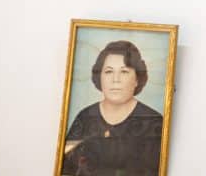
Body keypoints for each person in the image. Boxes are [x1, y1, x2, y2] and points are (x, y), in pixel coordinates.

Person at [62, 41, 163, 176]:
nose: (116, 79)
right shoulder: (85, 118)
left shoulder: (154, 122)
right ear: (99, 77)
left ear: (137, 79)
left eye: (124, 71)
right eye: (109, 71)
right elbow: (66, 169)